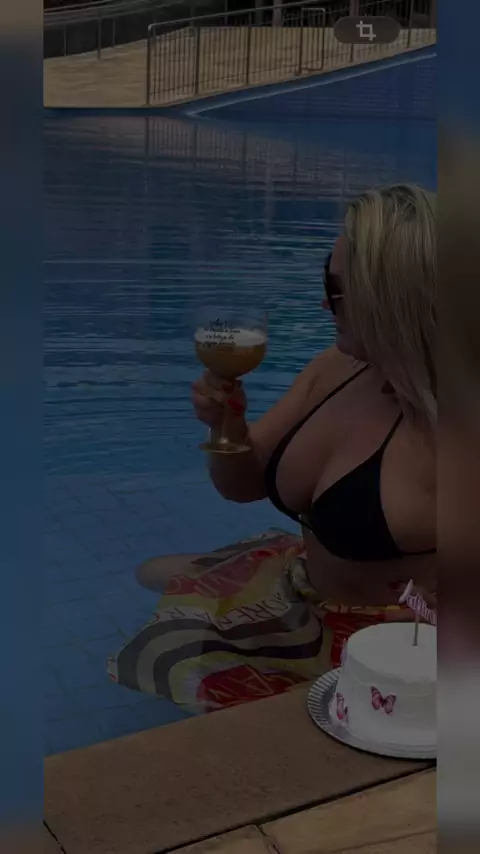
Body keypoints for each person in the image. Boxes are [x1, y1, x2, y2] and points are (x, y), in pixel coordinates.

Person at [125, 183, 436, 712]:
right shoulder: (335, 370)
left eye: (337, 289)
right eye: (325, 279)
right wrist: (225, 426)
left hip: (385, 642)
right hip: (300, 587)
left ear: (395, 297)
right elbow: (241, 486)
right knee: (151, 572)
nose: (322, 303)